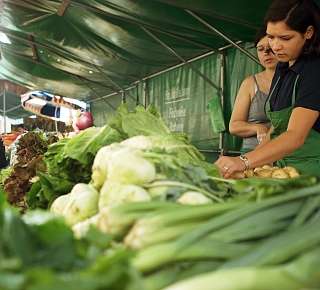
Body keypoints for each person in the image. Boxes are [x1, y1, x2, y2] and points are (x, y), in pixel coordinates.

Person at [215, 0, 320, 178]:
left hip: (312, 171)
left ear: (308, 33)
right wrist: (247, 162)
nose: (275, 46)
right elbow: (275, 131)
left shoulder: (314, 70)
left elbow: (295, 136)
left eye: (285, 38)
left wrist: (243, 162)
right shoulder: (282, 68)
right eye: (271, 37)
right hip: (284, 168)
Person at [229, 30, 278, 152]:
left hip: (285, 152)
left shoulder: (296, 80)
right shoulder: (250, 83)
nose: (266, 53)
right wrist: (257, 127)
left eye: (270, 47)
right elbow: (234, 126)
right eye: (260, 49)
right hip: (253, 153)